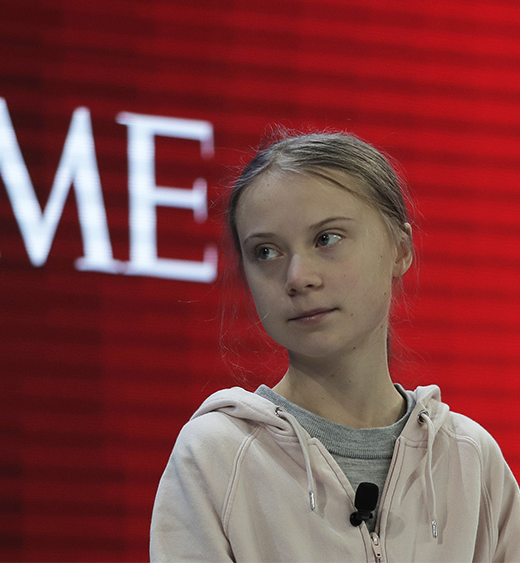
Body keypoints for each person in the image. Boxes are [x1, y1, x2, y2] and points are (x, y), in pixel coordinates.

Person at [150, 130, 520, 562]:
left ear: (400, 250)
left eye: (326, 239)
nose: (297, 277)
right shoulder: (214, 456)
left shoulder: (470, 459)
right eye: (266, 252)